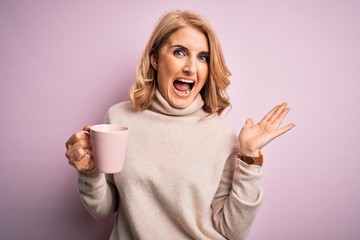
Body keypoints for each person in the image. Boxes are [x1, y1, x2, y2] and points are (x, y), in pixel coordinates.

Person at [65, 10, 295, 240]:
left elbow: (232, 231)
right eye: (179, 52)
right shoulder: (118, 119)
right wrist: (89, 173)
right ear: (155, 58)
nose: (191, 68)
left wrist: (250, 157)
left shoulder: (220, 132)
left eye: (202, 57)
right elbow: (103, 209)